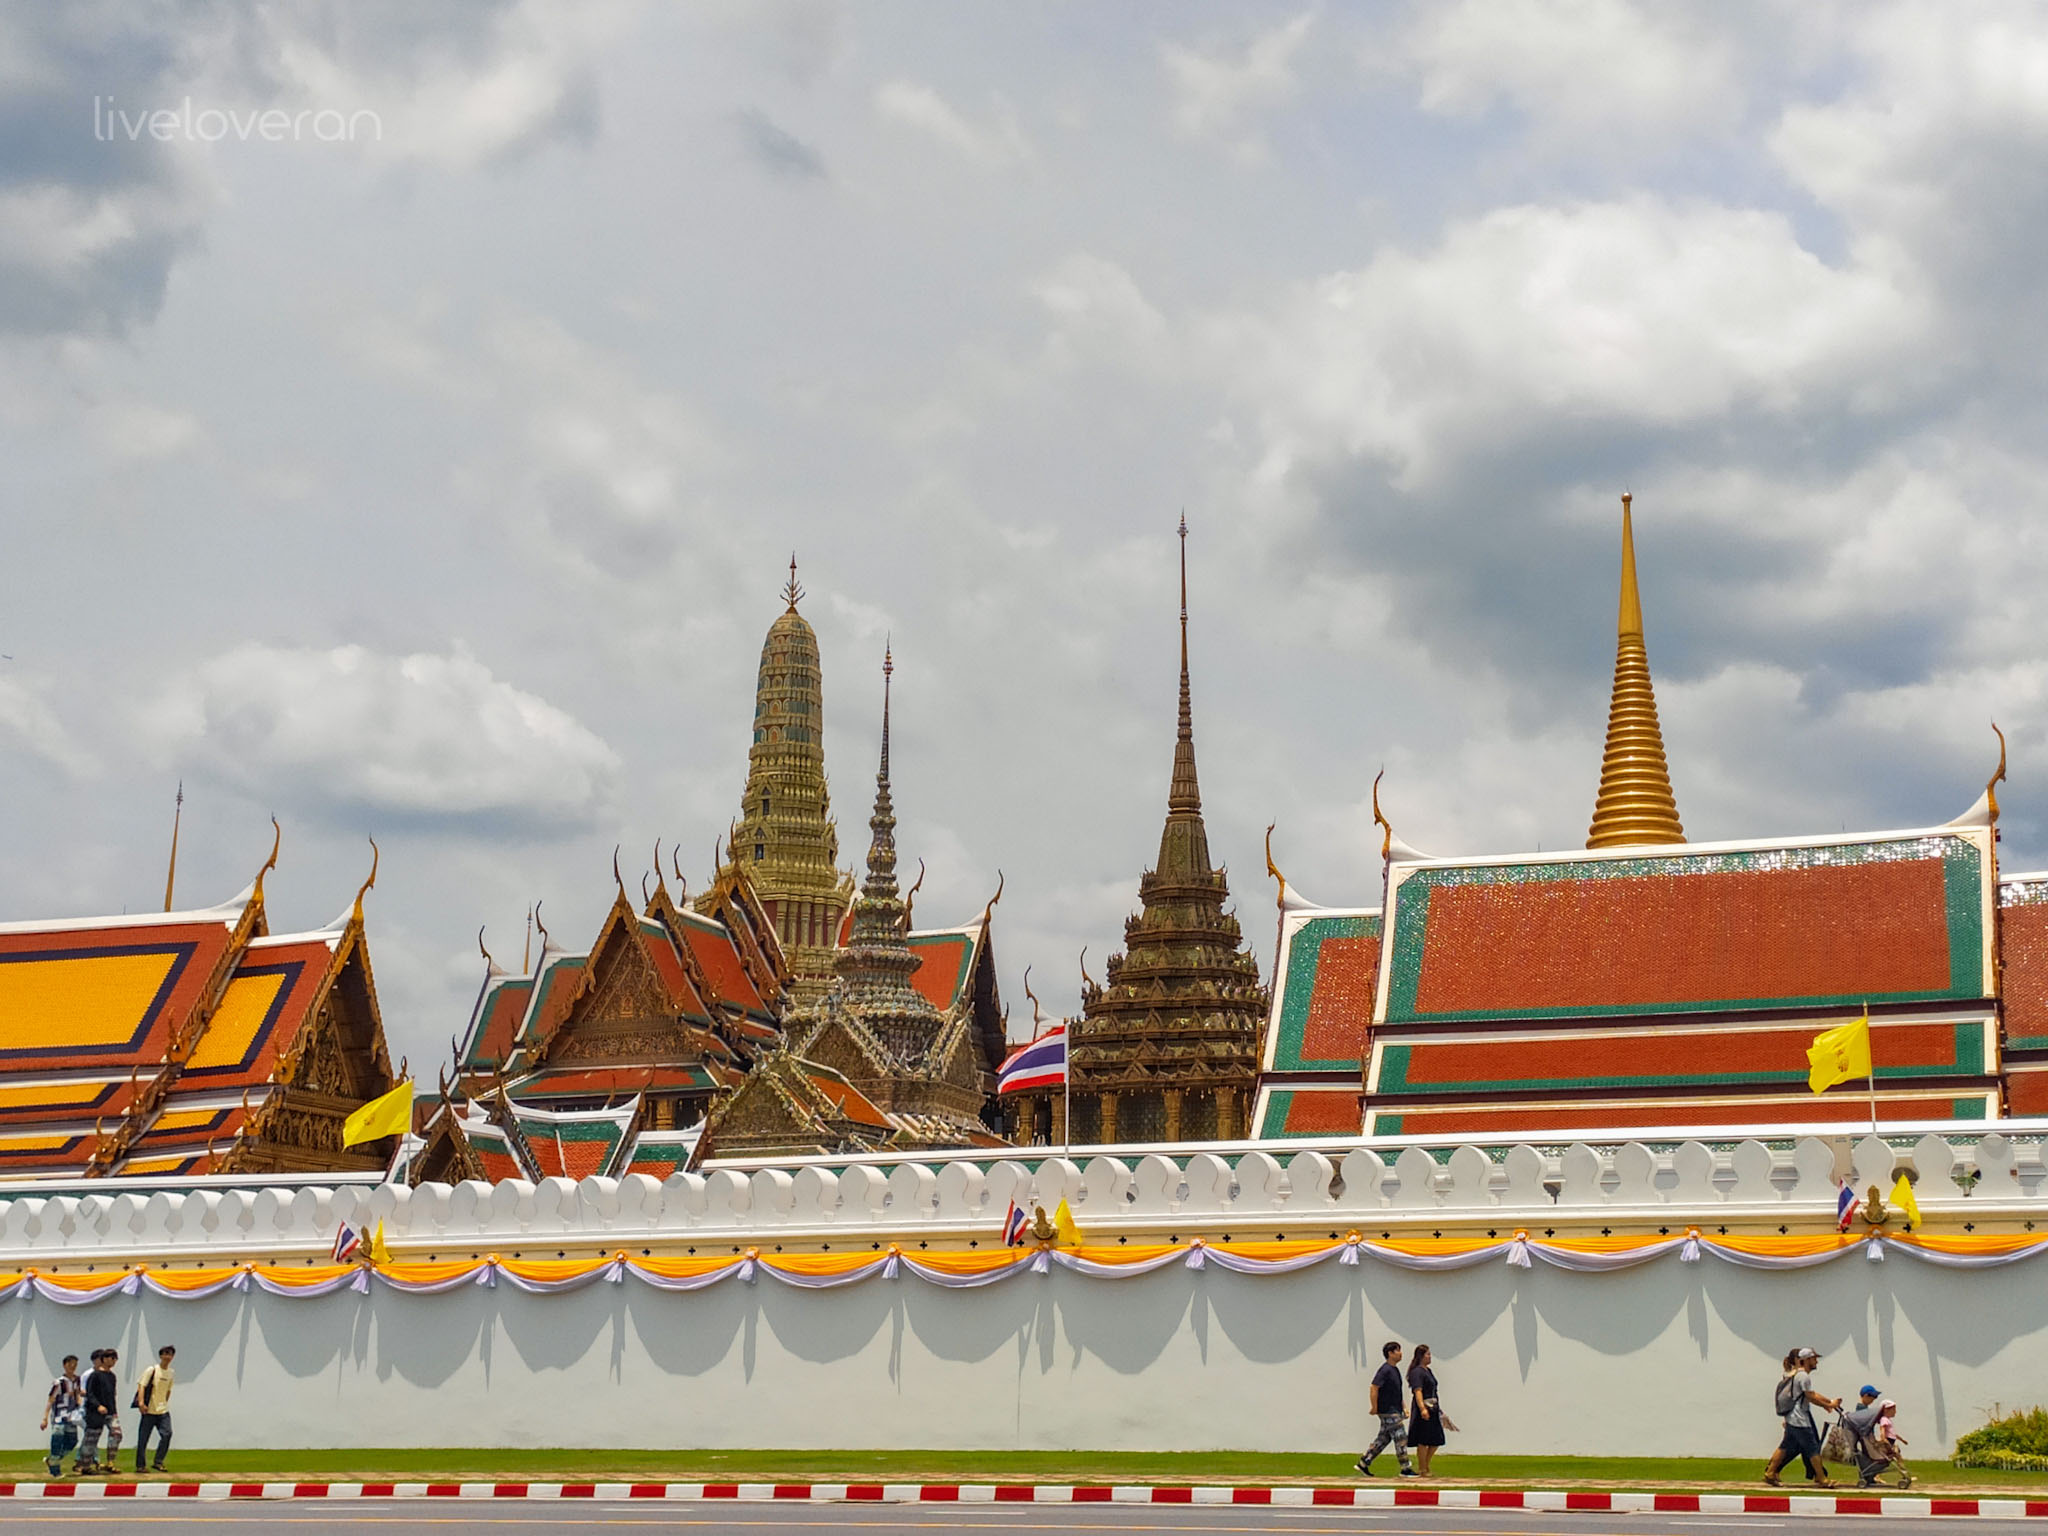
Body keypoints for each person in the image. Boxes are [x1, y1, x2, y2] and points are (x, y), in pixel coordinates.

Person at [1763, 1346, 1839, 1487]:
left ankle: (1770, 1473)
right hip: (1800, 1419)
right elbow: (1810, 1396)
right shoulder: (1803, 1376)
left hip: (1793, 1417)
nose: (1816, 1362)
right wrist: (1828, 1405)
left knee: (1785, 1446)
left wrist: (1828, 1403)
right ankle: (1822, 1478)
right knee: (1812, 1448)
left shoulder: (1797, 1375)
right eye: (1814, 1359)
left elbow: (1812, 1394)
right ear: (1807, 1360)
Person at [1355, 1341, 1417, 1477]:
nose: (1401, 1353)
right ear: (1390, 1353)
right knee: (1401, 1437)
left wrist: (1404, 1408)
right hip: (1387, 1411)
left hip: (1395, 1409)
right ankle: (1405, 1468)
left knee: (1383, 1438)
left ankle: (1364, 1462)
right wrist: (1374, 1407)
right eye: (1398, 1351)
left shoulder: (1394, 1370)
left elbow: (1396, 1392)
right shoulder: (1385, 1370)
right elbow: (1374, 1387)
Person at [1406, 1343, 1449, 1477]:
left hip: (1433, 1407)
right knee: (1423, 1440)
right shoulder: (1417, 1372)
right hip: (1424, 1408)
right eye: (1428, 1354)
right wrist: (1422, 1408)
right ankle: (1422, 1468)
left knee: (1436, 1439)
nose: (1430, 1357)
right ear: (1421, 1356)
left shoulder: (1428, 1371)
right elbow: (1417, 1391)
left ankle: (1426, 1464)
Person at [78, 1348, 122, 1475]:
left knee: (117, 1434)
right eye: (111, 1358)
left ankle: (110, 1462)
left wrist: (114, 1410)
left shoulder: (112, 1376)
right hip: (95, 1412)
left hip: (110, 1412)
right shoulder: (95, 1375)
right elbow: (90, 1394)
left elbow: (112, 1394)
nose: (113, 1361)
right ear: (104, 1359)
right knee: (91, 1439)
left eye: (115, 1358)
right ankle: (85, 1466)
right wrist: (98, 1406)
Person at [133, 1345, 175, 1474]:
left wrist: (164, 1403)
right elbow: (142, 1385)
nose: (168, 1357)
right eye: (165, 1354)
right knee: (143, 1438)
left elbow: (168, 1390)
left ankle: (158, 1461)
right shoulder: (152, 1370)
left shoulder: (171, 1373)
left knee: (167, 1434)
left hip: (162, 1411)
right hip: (149, 1410)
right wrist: (141, 1403)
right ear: (161, 1355)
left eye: (170, 1354)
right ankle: (140, 1465)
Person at [41, 1355, 84, 1478]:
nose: (73, 1367)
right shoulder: (59, 1382)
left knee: (72, 1441)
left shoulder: (77, 1380)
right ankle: (55, 1470)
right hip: (59, 1417)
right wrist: (45, 1417)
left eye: (75, 1364)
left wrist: (80, 1406)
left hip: (71, 1416)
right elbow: (51, 1399)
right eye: (70, 1364)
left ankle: (53, 1460)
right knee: (57, 1441)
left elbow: (78, 1396)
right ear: (65, 1365)